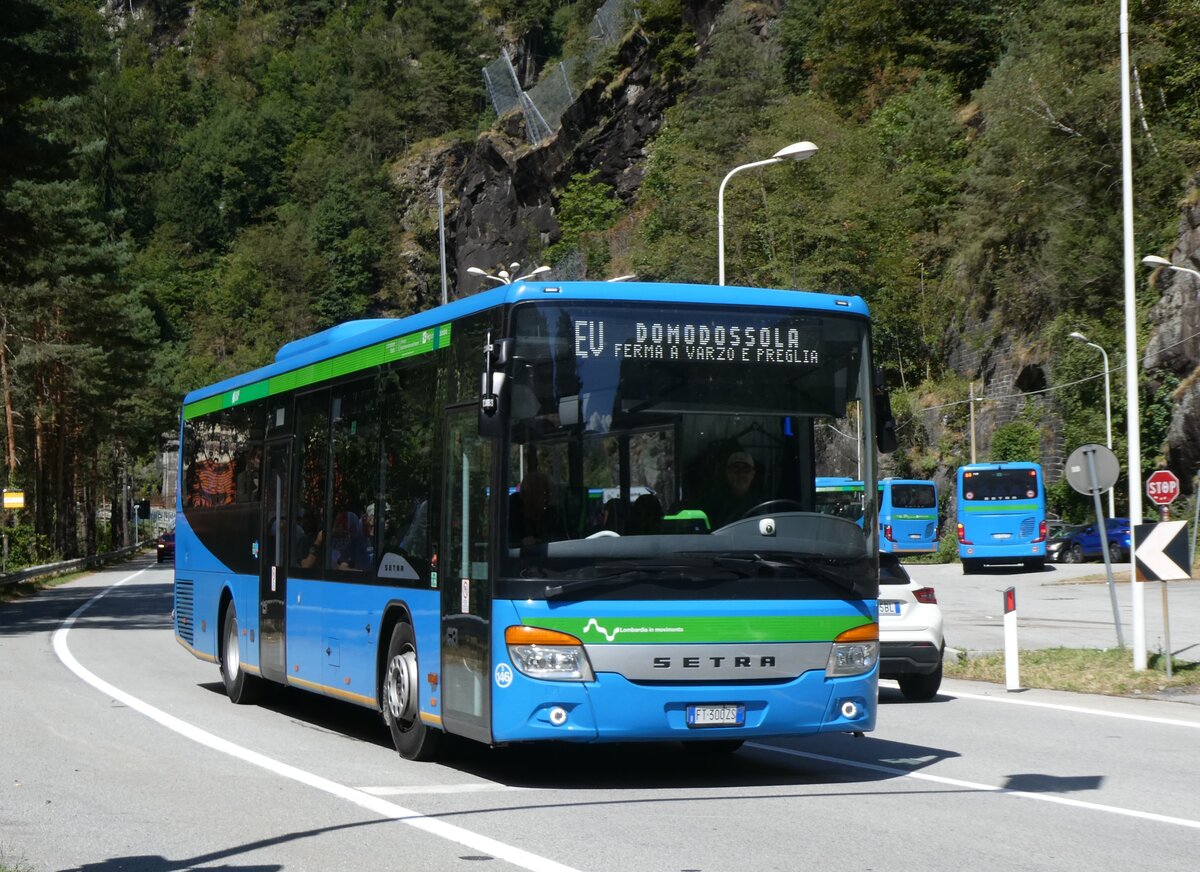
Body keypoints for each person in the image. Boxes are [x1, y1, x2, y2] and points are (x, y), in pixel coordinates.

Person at [708, 449, 765, 527]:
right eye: (736, 469)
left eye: (746, 469)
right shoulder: (715, 503)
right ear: (727, 472)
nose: (741, 474)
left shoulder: (762, 503)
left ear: (753, 474)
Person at [509, 470, 560, 546]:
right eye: (544, 493)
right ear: (531, 493)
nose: (547, 498)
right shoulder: (510, 511)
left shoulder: (550, 513)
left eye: (550, 493)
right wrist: (521, 542)